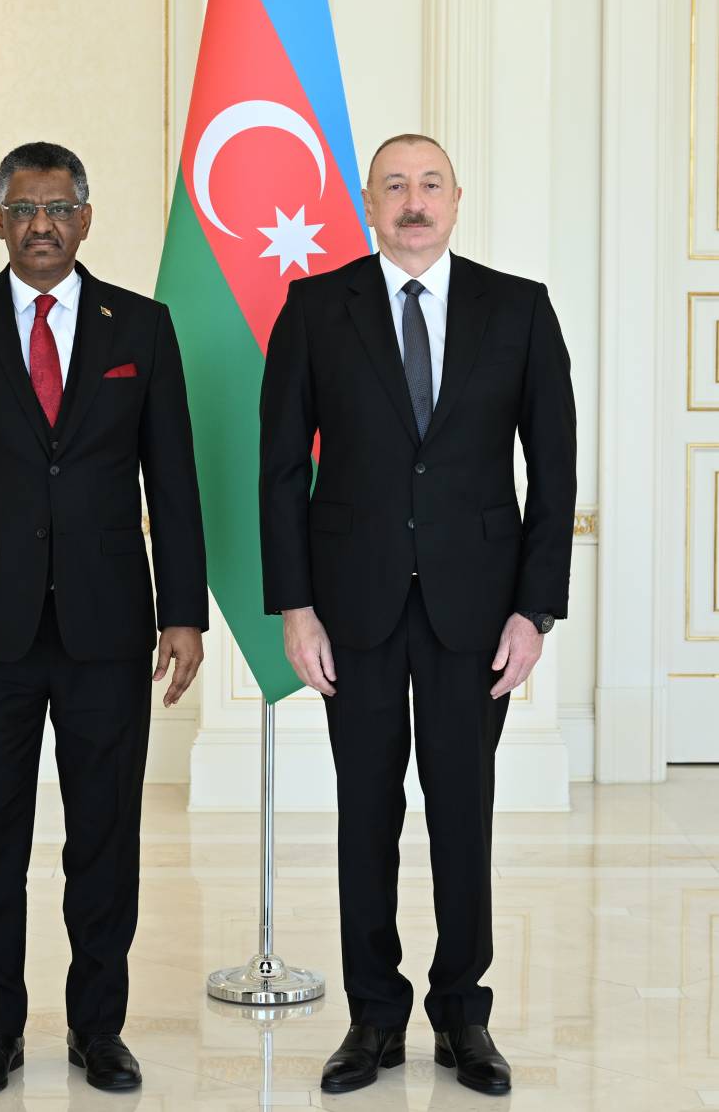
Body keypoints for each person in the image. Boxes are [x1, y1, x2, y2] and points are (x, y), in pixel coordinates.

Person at [0, 141, 208, 1096]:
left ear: (86, 219)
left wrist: (182, 612)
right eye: (23, 209)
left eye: (59, 208)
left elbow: (173, 482)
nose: (41, 226)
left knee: (104, 837)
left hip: (109, 629)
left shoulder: (140, 327)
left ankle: (98, 1030)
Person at [259, 133, 576, 1097]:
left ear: (456, 198)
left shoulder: (518, 309)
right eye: (393, 185)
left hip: (475, 613)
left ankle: (461, 1015)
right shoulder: (315, 307)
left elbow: (553, 472)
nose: (412, 201)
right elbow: (280, 471)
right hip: (349, 608)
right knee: (365, 813)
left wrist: (533, 612)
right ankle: (372, 1017)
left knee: (462, 814)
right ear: (368, 202)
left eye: (429, 184)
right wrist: (294, 608)